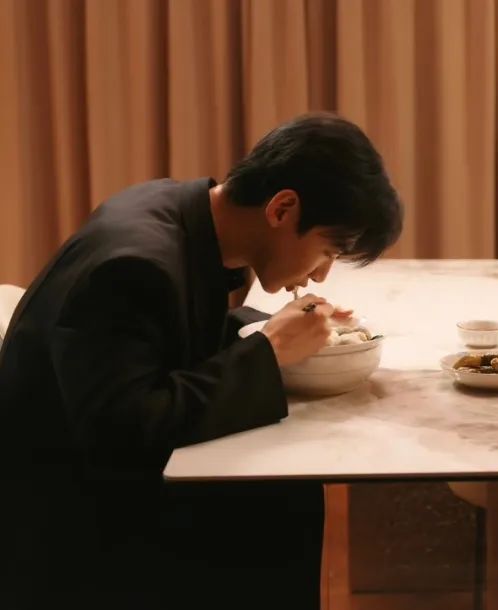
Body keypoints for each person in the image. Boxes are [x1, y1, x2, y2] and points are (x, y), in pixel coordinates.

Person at [0, 113, 403, 610]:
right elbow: (124, 430)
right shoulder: (132, 265)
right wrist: (270, 350)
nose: (321, 275)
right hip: (72, 530)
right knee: (283, 502)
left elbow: (165, 336)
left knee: (288, 489)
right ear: (282, 209)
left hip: (90, 483)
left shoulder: (173, 210)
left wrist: (274, 328)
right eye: (327, 250)